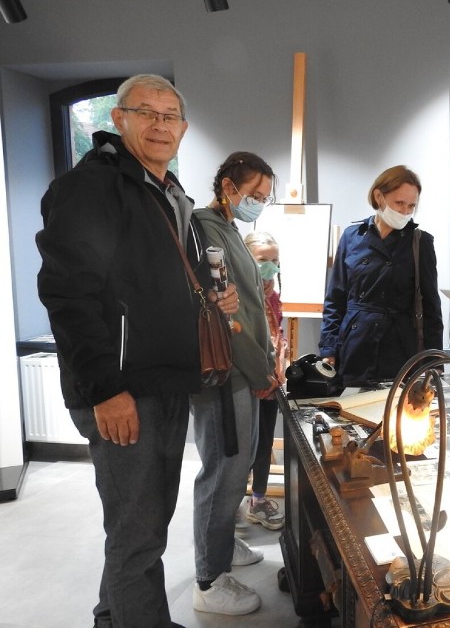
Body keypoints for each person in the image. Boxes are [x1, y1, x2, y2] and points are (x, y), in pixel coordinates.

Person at [36, 74, 238, 628]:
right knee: (138, 533)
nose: (158, 124)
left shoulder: (167, 191)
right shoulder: (93, 187)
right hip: (124, 390)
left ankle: (113, 616)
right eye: (144, 112)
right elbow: (68, 294)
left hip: (164, 380)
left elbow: (150, 278)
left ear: (184, 128)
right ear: (118, 118)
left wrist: (209, 290)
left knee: (140, 523)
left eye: (169, 115)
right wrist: (105, 389)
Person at [191, 152, 279, 616]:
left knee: (238, 462)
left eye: (264, 198)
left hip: (245, 368)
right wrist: (260, 368)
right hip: (225, 371)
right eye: (254, 195)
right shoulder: (205, 228)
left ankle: (222, 546)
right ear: (229, 186)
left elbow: (250, 304)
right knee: (222, 470)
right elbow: (228, 316)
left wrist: (266, 361)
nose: (259, 205)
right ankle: (208, 578)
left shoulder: (230, 230)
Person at [319, 165, 443, 386]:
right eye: (399, 203)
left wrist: (434, 364)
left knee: (396, 416)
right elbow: (335, 299)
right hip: (354, 346)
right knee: (350, 413)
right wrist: (329, 348)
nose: (405, 212)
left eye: (411, 206)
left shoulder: (420, 242)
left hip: (400, 350)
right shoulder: (352, 236)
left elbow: (432, 308)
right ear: (379, 196)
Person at [243, 230, 287, 531]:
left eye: (274, 261)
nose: (270, 268)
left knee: (265, 442)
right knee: (243, 447)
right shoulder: (240, 294)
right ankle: (229, 505)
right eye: (262, 261)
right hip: (249, 384)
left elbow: (276, 335)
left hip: (272, 384)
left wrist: (279, 368)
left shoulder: (272, 294)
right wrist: (261, 374)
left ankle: (258, 501)